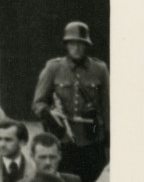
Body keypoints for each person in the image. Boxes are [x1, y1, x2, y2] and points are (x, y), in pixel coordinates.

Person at [30, 22, 108, 182]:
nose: (77, 48)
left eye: (81, 43)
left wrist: (107, 139)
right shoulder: (54, 68)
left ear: (87, 45)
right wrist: (49, 113)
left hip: (92, 138)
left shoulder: (100, 69)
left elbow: (108, 107)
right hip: (64, 139)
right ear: (66, 45)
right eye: (72, 43)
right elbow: (38, 103)